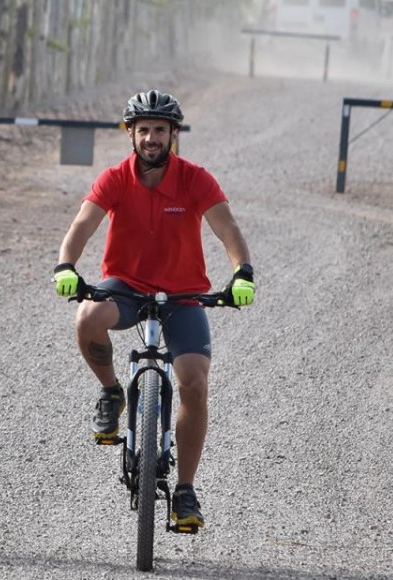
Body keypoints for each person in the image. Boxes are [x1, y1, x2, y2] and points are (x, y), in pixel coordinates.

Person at [52, 89, 254, 532]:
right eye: (142, 130)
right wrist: (66, 265)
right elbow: (82, 225)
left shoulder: (195, 179)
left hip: (183, 294)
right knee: (86, 317)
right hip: (125, 287)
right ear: (131, 133)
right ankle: (111, 393)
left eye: (159, 130)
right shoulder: (114, 178)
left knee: (195, 384)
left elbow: (227, 228)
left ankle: (184, 489)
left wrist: (242, 273)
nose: (150, 138)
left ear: (173, 134)